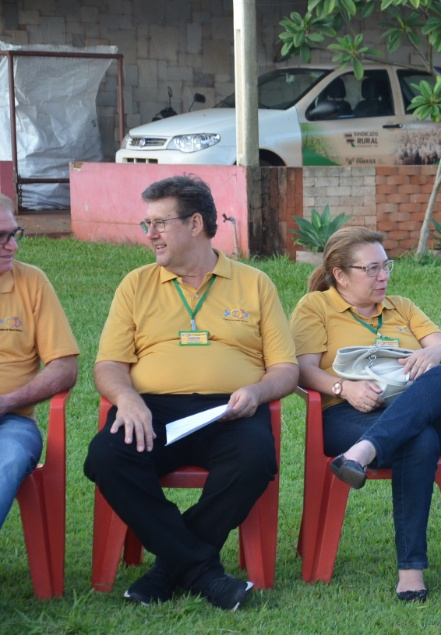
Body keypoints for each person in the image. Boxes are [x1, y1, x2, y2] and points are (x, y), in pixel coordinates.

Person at [83, 175, 298, 610]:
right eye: (147, 225)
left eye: (160, 223)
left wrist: (256, 393)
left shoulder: (254, 283)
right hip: (152, 411)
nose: (151, 235)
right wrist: (127, 399)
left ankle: (169, 568)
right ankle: (201, 570)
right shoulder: (136, 284)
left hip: (230, 412)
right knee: (107, 457)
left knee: (254, 459)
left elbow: (286, 370)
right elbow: (108, 364)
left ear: (195, 223)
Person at [289, 226, 441, 603]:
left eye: (386, 267)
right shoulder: (315, 307)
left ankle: (362, 454)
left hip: (407, 409)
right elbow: (301, 370)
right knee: (420, 440)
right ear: (340, 274)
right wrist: (344, 388)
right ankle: (411, 571)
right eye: (372, 269)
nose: (383, 276)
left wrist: (433, 354)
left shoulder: (402, 306)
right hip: (347, 414)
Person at [0, 194, 79, 531]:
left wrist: (8, 402)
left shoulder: (31, 282)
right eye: (1, 237)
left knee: (10, 458)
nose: (12, 246)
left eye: (13, 233)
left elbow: (65, 367)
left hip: (11, 424)